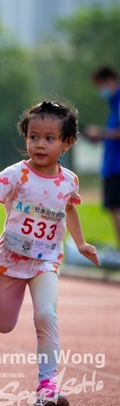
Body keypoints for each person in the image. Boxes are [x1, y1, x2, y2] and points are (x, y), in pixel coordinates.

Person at [0, 100, 99, 406]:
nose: (40, 144)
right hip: (10, 260)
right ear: (25, 138)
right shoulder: (15, 175)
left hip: (46, 262)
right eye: (33, 137)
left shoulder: (70, 181)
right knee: (3, 325)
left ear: (68, 143)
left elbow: (70, 209)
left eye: (49, 138)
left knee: (46, 315)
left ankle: (47, 385)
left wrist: (80, 244)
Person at [83, 66, 120, 263]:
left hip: (117, 166)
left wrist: (101, 132)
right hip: (113, 164)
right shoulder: (114, 104)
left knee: (116, 208)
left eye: (101, 86)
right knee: (114, 209)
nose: (101, 91)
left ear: (110, 80)